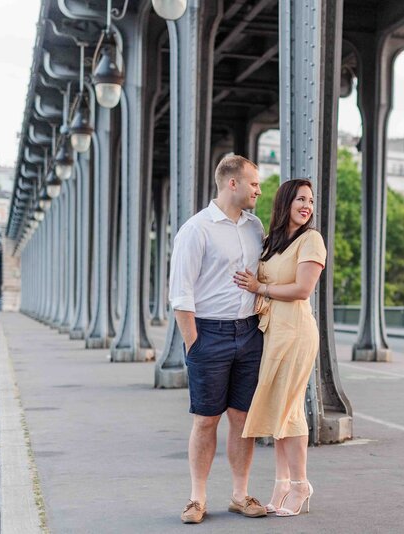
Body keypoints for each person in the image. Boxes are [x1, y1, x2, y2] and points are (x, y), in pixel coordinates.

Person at [168, 154, 267, 524]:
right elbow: (181, 293)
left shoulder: (255, 227)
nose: (258, 190)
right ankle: (197, 499)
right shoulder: (196, 230)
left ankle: (240, 495)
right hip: (209, 333)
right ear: (232, 183)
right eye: (254, 183)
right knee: (206, 420)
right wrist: (194, 343)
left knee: (243, 420)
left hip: (249, 332)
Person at [233, 178, 326, 517]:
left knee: (289, 409)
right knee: (278, 410)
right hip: (272, 331)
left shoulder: (311, 240)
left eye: (311, 201)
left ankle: (300, 484)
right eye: (301, 199)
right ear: (285, 202)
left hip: (296, 332)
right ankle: (282, 483)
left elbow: (302, 289)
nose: (307, 206)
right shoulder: (273, 241)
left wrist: (260, 287)